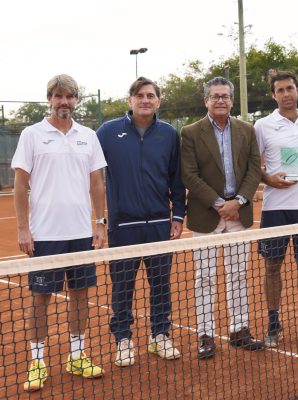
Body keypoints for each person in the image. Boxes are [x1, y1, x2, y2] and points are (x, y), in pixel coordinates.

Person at [12, 74, 106, 392]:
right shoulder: (32, 135)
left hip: (80, 233)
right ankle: (37, 362)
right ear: (49, 98)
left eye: (69, 96)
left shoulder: (88, 136)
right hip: (44, 236)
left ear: (76, 100)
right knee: (40, 299)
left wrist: (100, 223)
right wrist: (24, 228)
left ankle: (76, 356)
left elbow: (96, 183)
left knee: (80, 296)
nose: (63, 101)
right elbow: (20, 183)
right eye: (58, 96)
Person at [96, 77, 185, 367]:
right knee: (122, 287)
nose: (145, 100)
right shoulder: (107, 133)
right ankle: (123, 339)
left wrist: (178, 215)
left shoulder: (170, 135)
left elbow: (176, 179)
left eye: (151, 95)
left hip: (160, 224)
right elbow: (92, 176)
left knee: (161, 285)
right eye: (140, 95)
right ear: (130, 100)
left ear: (158, 100)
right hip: (122, 227)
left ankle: (160, 336)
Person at [181, 76, 264, 359]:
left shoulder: (247, 130)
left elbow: (254, 169)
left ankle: (239, 330)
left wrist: (238, 201)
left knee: (239, 274)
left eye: (225, 96)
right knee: (204, 277)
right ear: (206, 101)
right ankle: (206, 335)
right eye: (215, 96)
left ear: (231, 100)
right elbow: (189, 174)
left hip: (239, 214)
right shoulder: (191, 133)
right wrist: (219, 204)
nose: (220, 101)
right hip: (206, 215)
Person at [254, 71, 298, 348]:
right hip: (275, 209)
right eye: (280, 90)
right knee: (272, 267)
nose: (286, 94)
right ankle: (274, 323)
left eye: (290, 88)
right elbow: (251, 162)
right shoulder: (263, 125)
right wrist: (267, 179)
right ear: (274, 95)